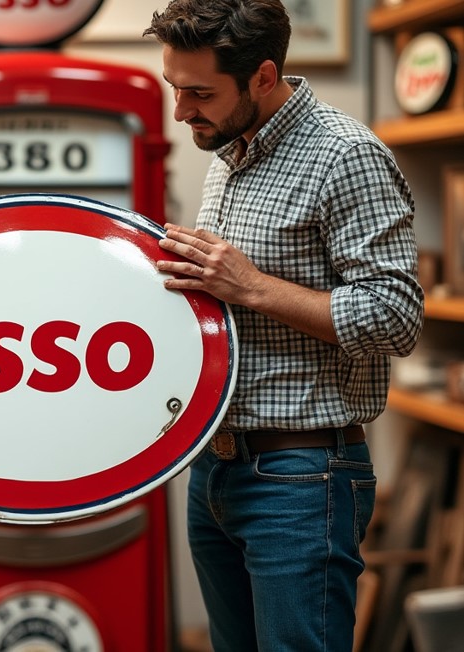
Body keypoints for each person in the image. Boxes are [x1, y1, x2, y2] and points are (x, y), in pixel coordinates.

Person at [144, 2, 423, 651]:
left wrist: (250, 286)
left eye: (199, 93)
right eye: (173, 88)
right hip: (214, 470)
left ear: (263, 77)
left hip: (301, 479)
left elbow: (394, 318)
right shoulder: (229, 151)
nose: (181, 110)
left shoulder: (345, 155)